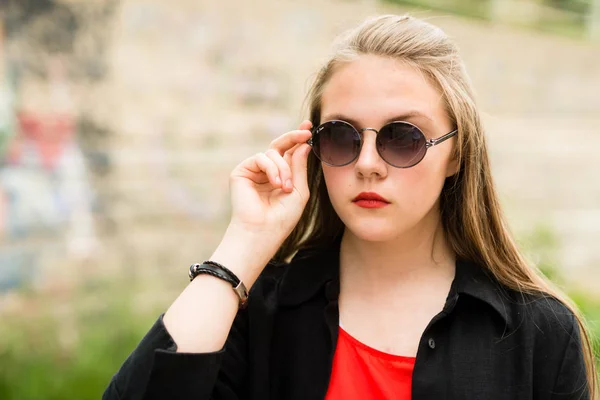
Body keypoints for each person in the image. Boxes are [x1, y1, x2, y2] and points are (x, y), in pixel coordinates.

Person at [103, 15, 597, 400]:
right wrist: (244, 243)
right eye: (340, 136)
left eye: (403, 139)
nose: (366, 165)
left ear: (458, 154)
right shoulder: (257, 312)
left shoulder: (539, 333)